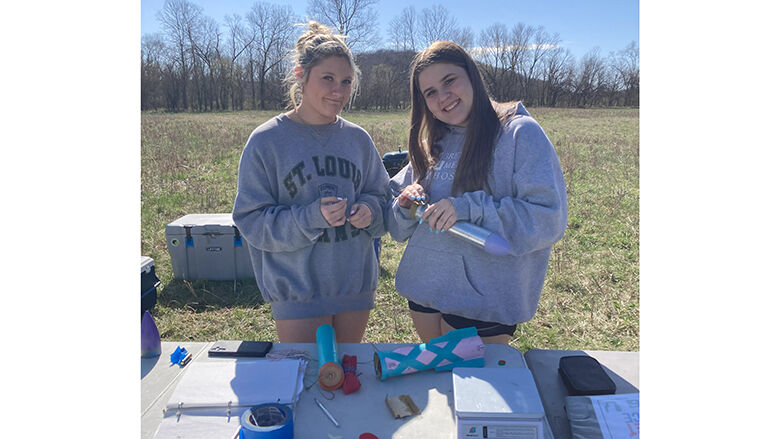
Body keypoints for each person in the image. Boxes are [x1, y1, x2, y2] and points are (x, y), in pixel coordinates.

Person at [385, 41, 568, 344]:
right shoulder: (434, 143)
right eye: (430, 92)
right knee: (442, 386)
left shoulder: (520, 133)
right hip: (424, 291)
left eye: (449, 81)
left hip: (483, 303)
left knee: (472, 390)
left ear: (472, 76)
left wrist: (468, 208)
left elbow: (548, 218)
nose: (442, 97)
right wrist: (404, 205)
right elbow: (396, 224)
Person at [232, 22, 389, 343]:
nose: (338, 90)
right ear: (301, 75)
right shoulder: (266, 141)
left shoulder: (358, 139)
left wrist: (370, 212)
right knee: (307, 383)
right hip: (298, 292)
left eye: (346, 82)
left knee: (344, 379)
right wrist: (310, 217)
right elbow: (250, 220)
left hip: (354, 288)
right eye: (327, 78)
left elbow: (382, 197)